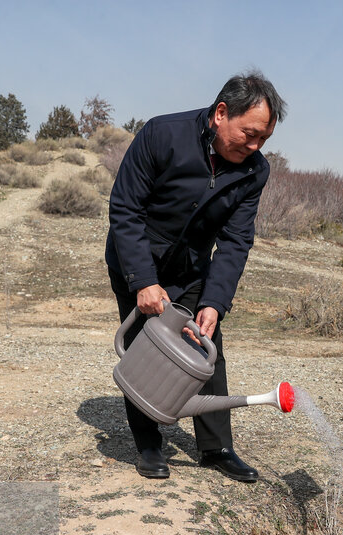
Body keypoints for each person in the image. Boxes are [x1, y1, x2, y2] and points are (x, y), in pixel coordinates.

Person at [106, 70, 286, 482]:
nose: (256, 146)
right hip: (137, 258)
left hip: (191, 267)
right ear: (221, 113)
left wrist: (214, 302)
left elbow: (237, 240)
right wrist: (142, 281)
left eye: (264, 139)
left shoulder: (254, 171)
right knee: (143, 347)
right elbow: (125, 209)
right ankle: (149, 443)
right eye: (250, 133)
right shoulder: (161, 135)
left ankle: (217, 447)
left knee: (208, 349)